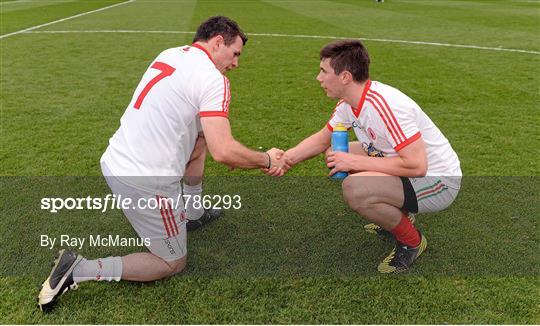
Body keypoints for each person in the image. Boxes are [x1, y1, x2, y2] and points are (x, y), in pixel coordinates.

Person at [38, 16, 289, 311]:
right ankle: (77, 268)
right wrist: (267, 159)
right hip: (147, 180)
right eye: (235, 54)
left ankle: (193, 213)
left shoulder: (171, 53)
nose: (236, 63)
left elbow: (205, 141)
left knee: (200, 138)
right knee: (171, 261)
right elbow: (225, 151)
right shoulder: (214, 79)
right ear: (218, 42)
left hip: (116, 159)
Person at [269, 39, 461, 273]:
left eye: (323, 71)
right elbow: (322, 139)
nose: (318, 78)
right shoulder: (349, 104)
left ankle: (412, 242)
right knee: (336, 151)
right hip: (411, 168)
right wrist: (283, 160)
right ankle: (400, 212)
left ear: (345, 77)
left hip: (439, 180)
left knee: (354, 188)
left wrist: (352, 162)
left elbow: (417, 165)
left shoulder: (386, 106)